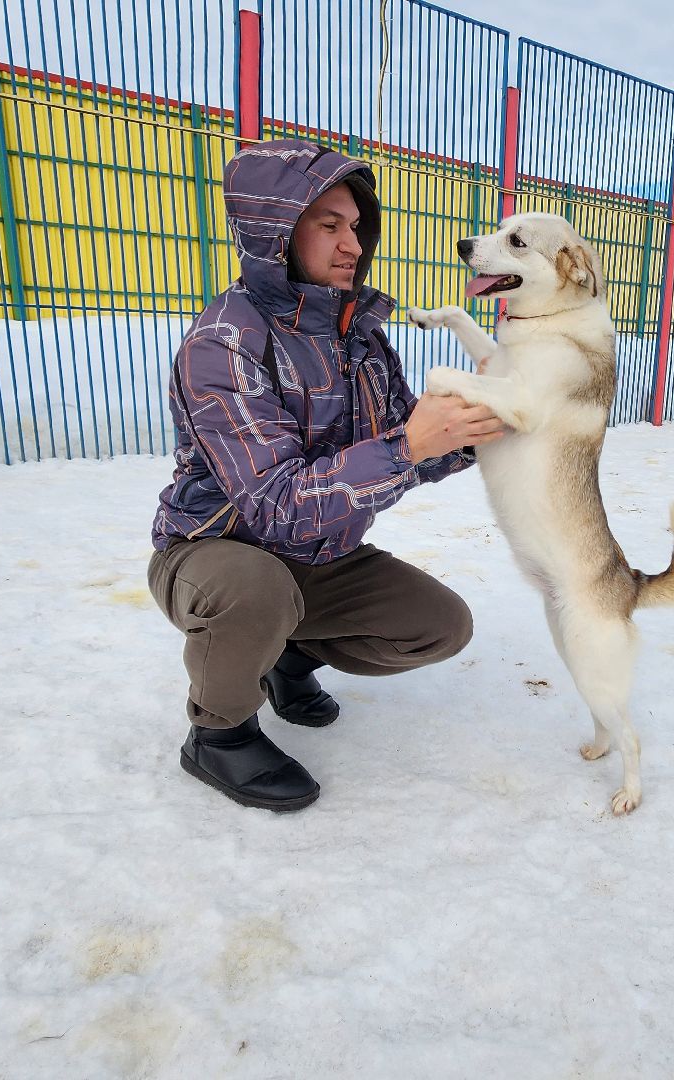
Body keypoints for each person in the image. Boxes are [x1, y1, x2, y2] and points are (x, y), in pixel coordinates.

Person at [147, 139, 506, 812]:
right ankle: (218, 734)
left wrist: (479, 430)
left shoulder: (355, 333)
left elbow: (408, 437)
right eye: (328, 224)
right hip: (216, 553)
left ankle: (284, 656)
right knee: (257, 591)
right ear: (275, 231)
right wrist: (407, 446)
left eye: (356, 227)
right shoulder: (224, 342)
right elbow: (275, 506)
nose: (352, 244)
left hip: (318, 558)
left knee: (439, 625)